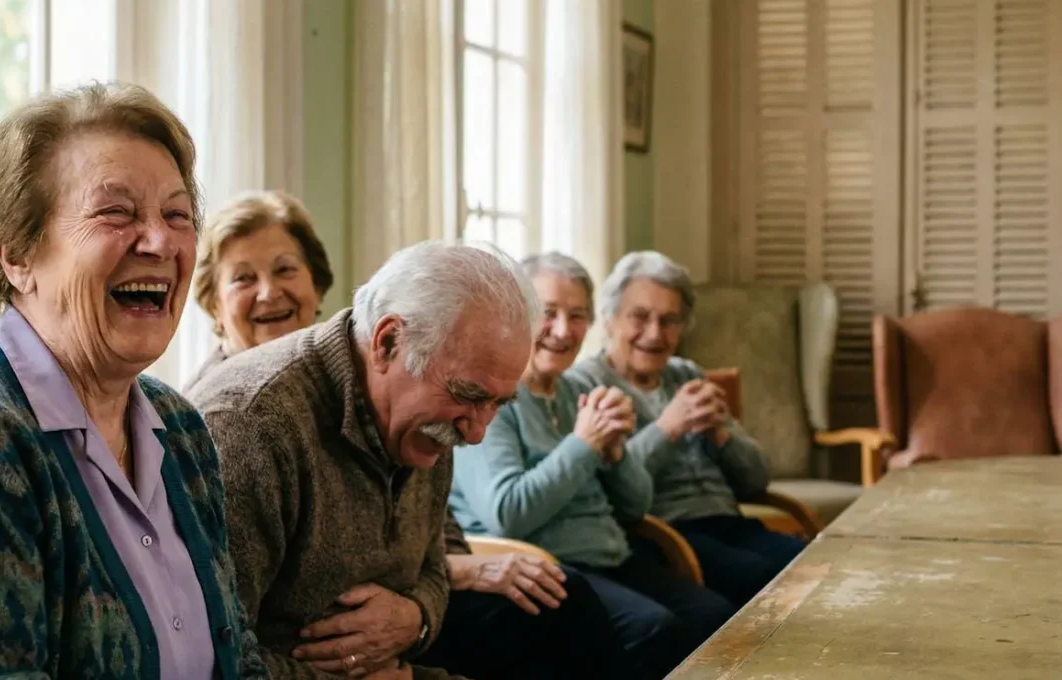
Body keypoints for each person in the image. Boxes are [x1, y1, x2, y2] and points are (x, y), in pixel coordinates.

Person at [0, 83, 268, 679]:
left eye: (176, 214)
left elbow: (238, 658)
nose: (161, 241)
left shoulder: (181, 429)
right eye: (116, 213)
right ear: (17, 255)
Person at [185, 210, 628, 679]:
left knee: (569, 609)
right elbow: (209, 658)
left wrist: (417, 618)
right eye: (470, 397)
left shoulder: (431, 402)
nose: (476, 433)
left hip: (397, 664)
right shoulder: (248, 427)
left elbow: (435, 565)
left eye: (498, 403)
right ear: (387, 341)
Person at [449, 252, 737, 679]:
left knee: (716, 616)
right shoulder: (493, 397)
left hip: (609, 555)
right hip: (546, 566)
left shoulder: (573, 391)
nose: (563, 331)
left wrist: (616, 453)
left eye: (578, 316)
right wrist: (584, 444)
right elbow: (506, 513)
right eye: (548, 313)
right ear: (517, 313)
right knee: (652, 630)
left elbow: (635, 506)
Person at [570, 251, 807, 607]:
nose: (655, 333)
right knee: (766, 581)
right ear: (609, 319)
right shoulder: (586, 385)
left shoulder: (686, 374)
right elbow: (604, 488)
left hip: (728, 521)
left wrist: (722, 436)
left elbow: (756, 479)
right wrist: (668, 427)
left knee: (818, 564)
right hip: (663, 533)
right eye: (640, 317)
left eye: (669, 320)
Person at [182, 190, 334, 393]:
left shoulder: (342, 375)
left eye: (284, 269)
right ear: (214, 303)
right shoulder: (212, 406)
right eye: (243, 278)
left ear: (316, 283)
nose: (269, 294)